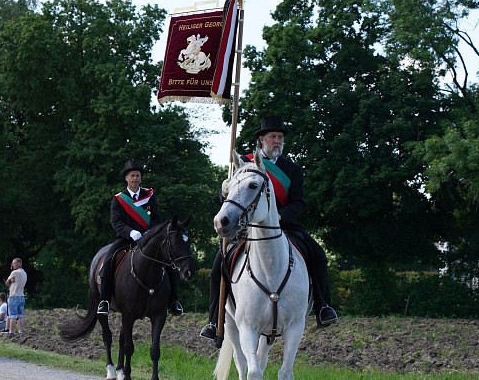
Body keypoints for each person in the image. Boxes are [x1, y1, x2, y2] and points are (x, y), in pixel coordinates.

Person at [200, 115, 339, 340]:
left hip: (283, 226)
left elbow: (298, 202)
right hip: (246, 229)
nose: (277, 141)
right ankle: (214, 321)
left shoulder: (292, 170)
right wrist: (223, 190)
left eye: (280, 137)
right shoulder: (244, 163)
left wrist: (279, 218)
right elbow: (229, 198)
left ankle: (324, 307)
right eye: (273, 137)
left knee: (318, 255)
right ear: (261, 141)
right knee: (218, 266)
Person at [96, 159, 184, 316]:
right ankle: (104, 300)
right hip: (126, 238)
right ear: (126, 178)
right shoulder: (118, 199)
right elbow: (116, 222)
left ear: (141, 178)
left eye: (137, 175)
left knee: (169, 262)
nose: (135, 179)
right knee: (109, 260)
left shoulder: (149, 196)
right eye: (132, 176)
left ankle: (173, 301)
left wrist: (150, 232)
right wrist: (131, 232)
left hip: (149, 238)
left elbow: (156, 217)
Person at [4, 257, 27, 335]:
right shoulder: (24, 273)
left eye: (14, 263)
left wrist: (10, 281)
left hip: (14, 296)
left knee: (12, 315)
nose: (12, 265)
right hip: (21, 295)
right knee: (20, 315)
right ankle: (20, 331)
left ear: (19, 263)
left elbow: (7, 283)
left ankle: (11, 331)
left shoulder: (15, 272)